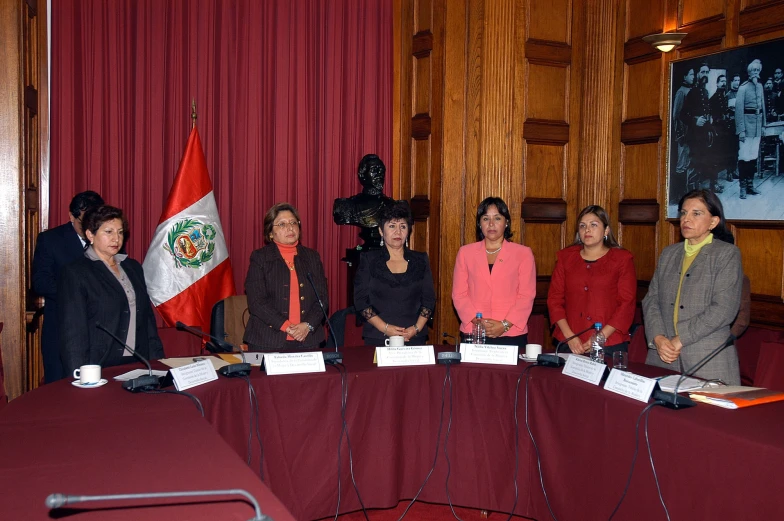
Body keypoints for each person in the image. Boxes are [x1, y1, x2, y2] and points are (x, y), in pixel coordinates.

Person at [643, 190, 743, 385]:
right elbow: (651, 300)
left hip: (707, 360)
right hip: (663, 358)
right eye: (683, 213)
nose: (686, 219)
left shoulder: (726, 254)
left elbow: (724, 309)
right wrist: (658, 338)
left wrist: (680, 339)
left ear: (713, 222)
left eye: (696, 213)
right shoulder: (669, 254)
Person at [58, 205, 164, 374]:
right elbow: (73, 333)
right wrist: (77, 376)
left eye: (120, 232)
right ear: (90, 235)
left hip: (139, 361)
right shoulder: (76, 273)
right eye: (108, 232)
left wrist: (159, 363)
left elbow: (147, 321)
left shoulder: (133, 267)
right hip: (99, 365)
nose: (116, 239)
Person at [32, 190, 105, 382]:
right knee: (60, 388)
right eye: (84, 222)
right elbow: (41, 282)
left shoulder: (108, 238)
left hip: (100, 330)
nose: (90, 227)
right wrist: (77, 294)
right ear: (71, 216)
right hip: (62, 327)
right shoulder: (50, 240)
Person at [547, 205, 636, 356]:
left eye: (593, 225)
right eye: (582, 226)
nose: (587, 230)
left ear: (606, 230)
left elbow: (626, 303)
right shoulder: (565, 258)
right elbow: (554, 300)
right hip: (569, 342)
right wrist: (570, 337)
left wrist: (600, 337)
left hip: (609, 343)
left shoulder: (622, 259)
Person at [452, 197, 536, 348]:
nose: (491, 224)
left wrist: (504, 325)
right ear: (479, 223)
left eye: (497, 218)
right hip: (474, 330)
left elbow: (526, 295)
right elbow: (459, 295)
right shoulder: (465, 253)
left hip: (511, 333)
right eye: (486, 218)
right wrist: (477, 321)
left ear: (506, 222)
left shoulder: (523, 254)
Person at [244, 203, 328, 351]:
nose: (290, 228)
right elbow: (256, 301)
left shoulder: (312, 257)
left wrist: (307, 325)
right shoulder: (260, 258)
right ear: (270, 232)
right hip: (267, 340)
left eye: (293, 223)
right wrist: (286, 326)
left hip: (308, 339)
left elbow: (322, 298)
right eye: (282, 224)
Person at [353, 201, 436, 346]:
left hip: (414, 337)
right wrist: (385, 328)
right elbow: (361, 301)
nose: (398, 232)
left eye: (402, 226)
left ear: (408, 231)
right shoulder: (368, 259)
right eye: (392, 226)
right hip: (377, 337)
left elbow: (428, 300)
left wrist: (416, 329)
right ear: (381, 231)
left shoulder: (421, 259)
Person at [332, 154, 395, 248]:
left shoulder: (394, 206)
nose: (379, 174)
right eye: (374, 170)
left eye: (381, 170)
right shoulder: (346, 206)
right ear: (362, 175)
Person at [735, 59, 765, 199]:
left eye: (757, 70)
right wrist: (741, 130)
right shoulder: (743, 88)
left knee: (753, 157)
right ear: (748, 72)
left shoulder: (760, 87)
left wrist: (763, 126)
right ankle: (742, 187)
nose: (756, 73)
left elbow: (762, 108)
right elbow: (739, 111)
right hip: (746, 128)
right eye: (753, 70)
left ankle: (750, 185)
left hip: (757, 127)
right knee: (744, 157)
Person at [671, 67, 694, 202]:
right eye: (691, 74)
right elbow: (675, 115)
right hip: (683, 133)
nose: (693, 76)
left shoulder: (692, 90)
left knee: (688, 162)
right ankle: (679, 194)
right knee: (681, 163)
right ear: (685, 76)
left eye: (693, 74)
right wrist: (680, 133)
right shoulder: (681, 92)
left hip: (691, 133)